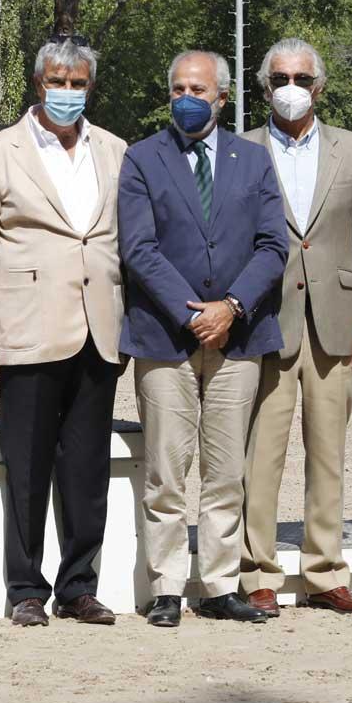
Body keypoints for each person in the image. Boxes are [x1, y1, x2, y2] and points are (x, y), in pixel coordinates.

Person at [0, 38, 128, 628]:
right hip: (27, 327)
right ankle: (25, 587)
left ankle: (79, 584)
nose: (68, 92)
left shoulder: (114, 150)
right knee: (26, 465)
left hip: (98, 331)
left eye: (79, 82)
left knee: (87, 467)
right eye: (58, 81)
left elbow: (121, 245)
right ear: (38, 84)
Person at [118, 50, 289, 627]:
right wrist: (194, 314)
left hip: (238, 337)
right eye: (177, 88)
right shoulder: (142, 158)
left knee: (224, 472)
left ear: (223, 97)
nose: (186, 97)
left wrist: (232, 306)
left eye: (199, 88)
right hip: (165, 336)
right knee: (167, 471)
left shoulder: (254, 160)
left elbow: (273, 245)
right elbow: (138, 248)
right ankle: (165, 585)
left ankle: (218, 585)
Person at [240, 40, 352, 615]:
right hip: (265, 324)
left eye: (301, 77)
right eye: (279, 77)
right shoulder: (241, 150)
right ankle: (257, 573)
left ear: (320, 86)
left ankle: (326, 572)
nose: (290, 86)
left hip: (336, 322)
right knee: (261, 455)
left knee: (329, 453)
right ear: (264, 84)